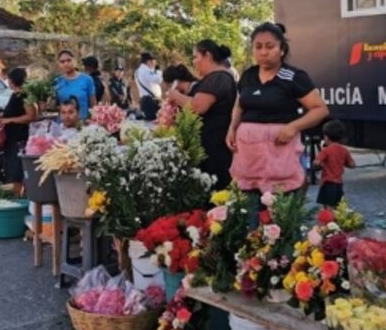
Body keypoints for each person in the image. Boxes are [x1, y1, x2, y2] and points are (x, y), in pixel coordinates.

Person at [228, 22, 329, 202]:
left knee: (280, 215)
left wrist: (293, 127)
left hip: (280, 154)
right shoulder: (248, 75)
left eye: (270, 46)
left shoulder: (294, 76)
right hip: (248, 158)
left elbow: (320, 109)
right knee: (249, 212)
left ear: (281, 49)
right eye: (258, 47)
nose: (263, 52)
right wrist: (232, 128)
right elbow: (239, 105)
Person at [166, 40, 237, 189]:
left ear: (208, 56)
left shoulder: (219, 77)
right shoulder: (214, 78)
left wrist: (176, 96)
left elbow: (198, 107)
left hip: (215, 147)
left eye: (195, 57)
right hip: (210, 145)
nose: (194, 62)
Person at [0, 68, 37, 198]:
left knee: (16, 172)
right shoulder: (16, 94)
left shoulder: (24, 95)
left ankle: (18, 199)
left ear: (11, 81)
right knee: (11, 170)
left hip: (18, 138)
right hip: (11, 138)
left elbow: (31, 115)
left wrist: (9, 120)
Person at [315, 120, 355, 208]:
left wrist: (318, 165)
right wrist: (341, 162)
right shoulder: (344, 150)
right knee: (339, 207)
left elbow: (316, 162)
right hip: (339, 183)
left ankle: (327, 221)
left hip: (327, 182)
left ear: (326, 137)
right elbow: (352, 165)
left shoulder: (326, 150)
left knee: (327, 207)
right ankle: (338, 221)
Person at [53, 50, 96, 120]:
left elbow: (93, 105)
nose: (66, 64)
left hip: (82, 124)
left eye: (69, 60)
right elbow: (54, 105)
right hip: (63, 125)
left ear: (74, 61)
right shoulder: (57, 81)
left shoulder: (87, 79)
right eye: (62, 62)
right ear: (59, 64)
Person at [135, 52, 163, 121]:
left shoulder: (140, 70)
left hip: (149, 101)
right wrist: (159, 72)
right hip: (149, 102)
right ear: (148, 61)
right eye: (153, 61)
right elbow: (158, 80)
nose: (154, 63)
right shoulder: (144, 71)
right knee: (152, 123)